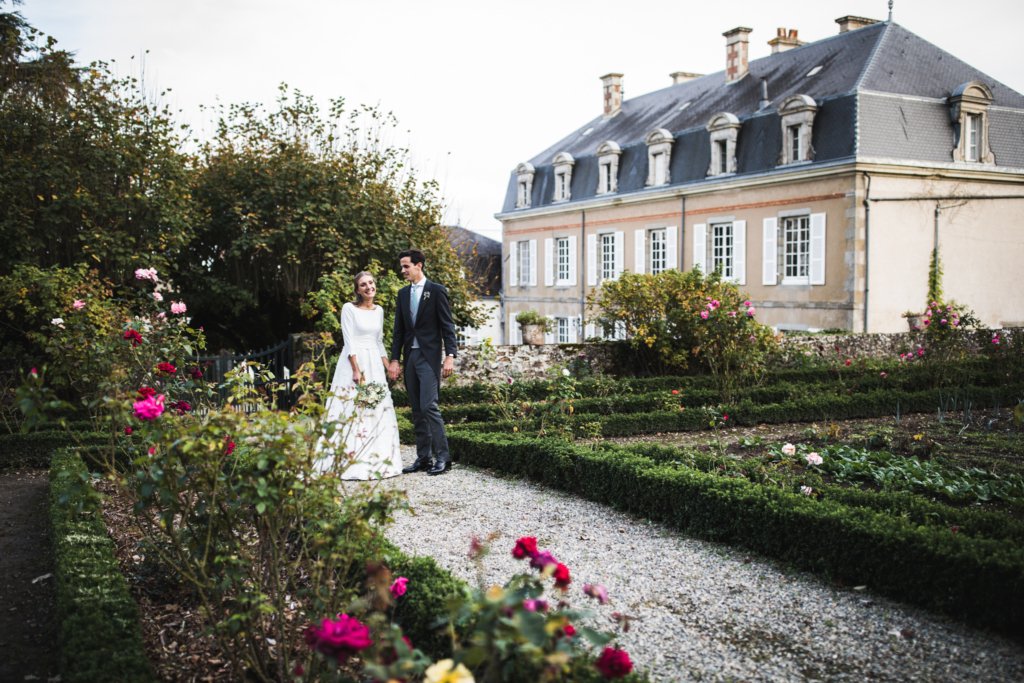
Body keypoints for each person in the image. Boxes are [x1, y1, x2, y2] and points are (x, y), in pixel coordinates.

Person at [316, 271, 402, 479]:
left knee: (376, 406)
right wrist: (356, 369)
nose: (368, 287)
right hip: (355, 362)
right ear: (357, 290)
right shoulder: (349, 308)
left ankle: (377, 459)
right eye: (363, 284)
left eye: (371, 283)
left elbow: (379, 341)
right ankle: (347, 461)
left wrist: (388, 365)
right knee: (352, 407)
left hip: (374, 363)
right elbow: (349, 340)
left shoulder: (379, 310)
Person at [388, 249, 457, 476]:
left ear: (419, 265)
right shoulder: (402, 294)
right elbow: (399, 331)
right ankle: (423, 458)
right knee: (417, 410)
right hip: (410, 357)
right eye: (402, 266)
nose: (403, 270)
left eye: (406, 266)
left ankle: (443, 458)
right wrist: (395, 359)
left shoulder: (436, 291)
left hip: (429, 357)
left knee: (429, 406)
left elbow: (447, 326)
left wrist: (450, 355)